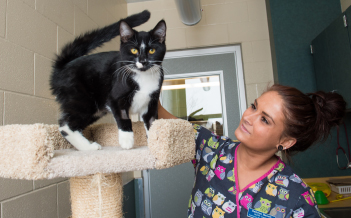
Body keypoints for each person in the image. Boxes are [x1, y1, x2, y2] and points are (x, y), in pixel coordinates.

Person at [158, 84, 346, 218]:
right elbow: (166, 118)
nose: (248, 117)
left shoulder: (296, 197)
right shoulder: (211, 150)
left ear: (286, 141)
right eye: (254, 106)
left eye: (264, 119)